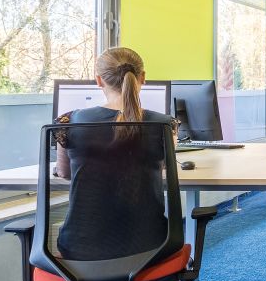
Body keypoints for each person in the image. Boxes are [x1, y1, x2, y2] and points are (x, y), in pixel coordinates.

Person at [53, 47, 177, 261]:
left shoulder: (69, 121)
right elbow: (164, 166)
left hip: (80, 248)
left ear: (99, 81)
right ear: (142, 78)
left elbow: (64, 173)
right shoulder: (166, 125)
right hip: (149, 246)